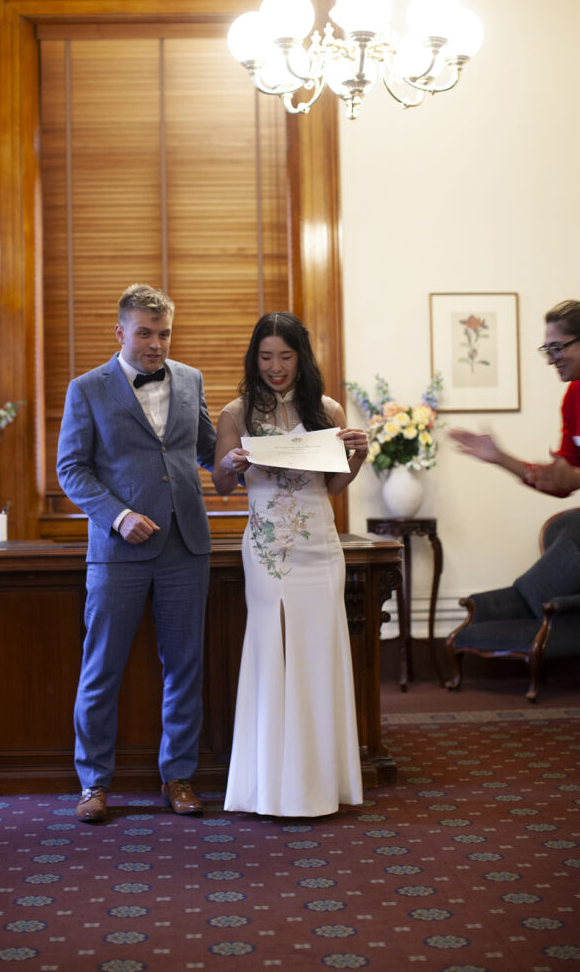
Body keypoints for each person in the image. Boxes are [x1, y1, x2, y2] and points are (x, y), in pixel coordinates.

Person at [57, 283, 216, 822]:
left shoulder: (192, 379)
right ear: (120, 331)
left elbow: (211, 452)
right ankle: (93, 785)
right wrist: (119, 516)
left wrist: (262, 449)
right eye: (144, 333)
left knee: (185, 668)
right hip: (116, 550)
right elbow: (71, 469)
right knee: (101, 668)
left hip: (186, 545)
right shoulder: (86, 389)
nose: (155, 344)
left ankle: (179, 778)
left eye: (164, 333)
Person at [212, 312, 368, 817]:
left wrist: (358, 457)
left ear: (301, 357)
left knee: (318, 651)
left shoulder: (326, 408)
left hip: (319, 544)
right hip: (266, 548)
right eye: (266, 357)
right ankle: (268, 784)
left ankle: (321, 781)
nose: (276, 367)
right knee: (272, 650)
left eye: (285, 356)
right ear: (253, 359)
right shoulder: (235, 413)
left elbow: (334, 487)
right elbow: (220, 485)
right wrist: (231, 466)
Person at [449, 299, 580, 496]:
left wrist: (577, 478)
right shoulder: (573, 396)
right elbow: (560, 481)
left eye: (557, 348)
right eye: (547, 350)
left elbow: (572, 477)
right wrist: (499, 457)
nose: (549, 360)